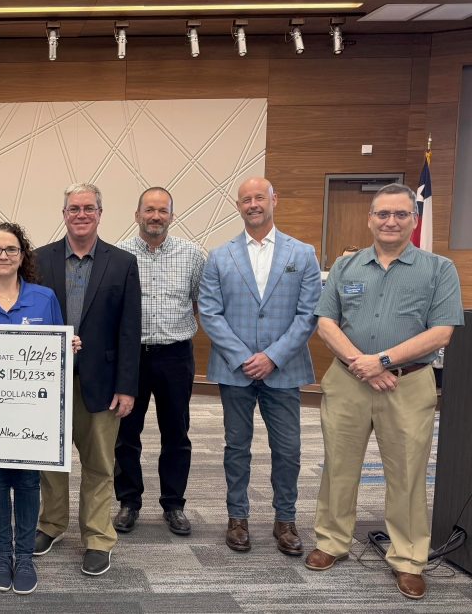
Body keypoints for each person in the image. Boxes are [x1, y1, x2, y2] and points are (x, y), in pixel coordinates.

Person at [306, 183, 463, 601]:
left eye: (400, 214)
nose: (390, 221)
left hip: (408, 384)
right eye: (382, 214)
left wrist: (384, 361)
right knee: (338, 466)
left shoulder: (438, 268)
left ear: (413, 219)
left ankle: (410, 559)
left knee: (409, 473)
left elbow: (442, 331)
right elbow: (325, 322)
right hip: (347, 379)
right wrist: (363, 363)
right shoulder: (346, 266)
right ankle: (331, 541)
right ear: (370, 218)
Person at [198, 177, 322, 556]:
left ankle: (285, 520)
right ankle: (238, 518)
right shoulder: (220, 255)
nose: (253, 204)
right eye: (246, 199)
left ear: (273, 200)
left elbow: (308, 314)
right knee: (236, 446)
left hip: (283, 368)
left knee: (288, 448)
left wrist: (272, 356)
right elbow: (209, 312)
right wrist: (242, 356)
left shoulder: (302, 254)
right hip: (234, 369)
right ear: (238, 206)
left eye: (259, 198)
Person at [0, 222, 82, 595]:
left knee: (28, 483)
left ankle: (24, 556)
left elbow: (59, 358)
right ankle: (1, 555)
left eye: (11, 249)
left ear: (22, 255)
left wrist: (68, 349)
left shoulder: (44, 298)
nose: (3, 256)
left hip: (33, 414)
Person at [32, 183, 142, 577]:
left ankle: (97, 537)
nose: (81, 214)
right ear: (63, 214)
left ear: (100, 213)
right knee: (51, 462)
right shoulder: (37, 260)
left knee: (98, 464)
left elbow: (130, 330)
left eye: (89, 208)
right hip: (49, 383)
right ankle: (51, 525)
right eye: (74, 208)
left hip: (104, 383)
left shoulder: (122, 262)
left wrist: (127, 386)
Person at [113, 187, 206, 536]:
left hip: (175, 355)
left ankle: (173, 504)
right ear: (136, 215)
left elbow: (201, 301)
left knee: (176, 433)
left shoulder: (192, 255)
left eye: (162, 210)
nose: (155, 216)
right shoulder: (118, 254)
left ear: (171, 215)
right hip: (130, 357)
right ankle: (128, 502)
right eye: (149, 210)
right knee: (125, 433)